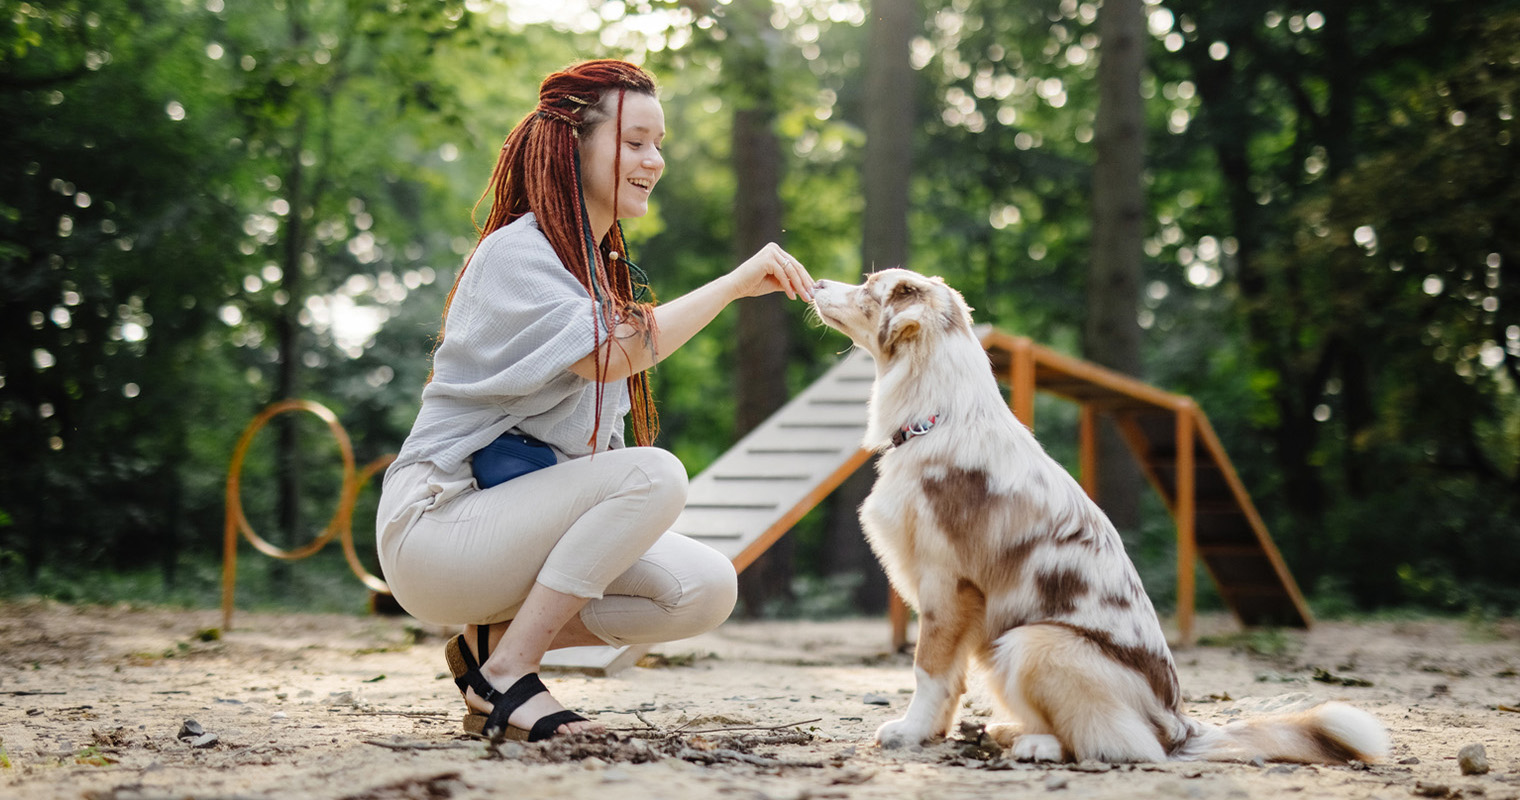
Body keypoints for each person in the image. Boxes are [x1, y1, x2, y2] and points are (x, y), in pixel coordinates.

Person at [374, 59, 816, 743]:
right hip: (437, 528)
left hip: (506, 531)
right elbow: (619, 351)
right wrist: (731, 284)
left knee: (703, 586)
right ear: (572, 142)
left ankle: (486, 647)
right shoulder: (518, 254)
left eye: (659, 143)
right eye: (635, 141)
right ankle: (508, 676)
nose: (655, 160)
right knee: (655, 471)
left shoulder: (592, 273)